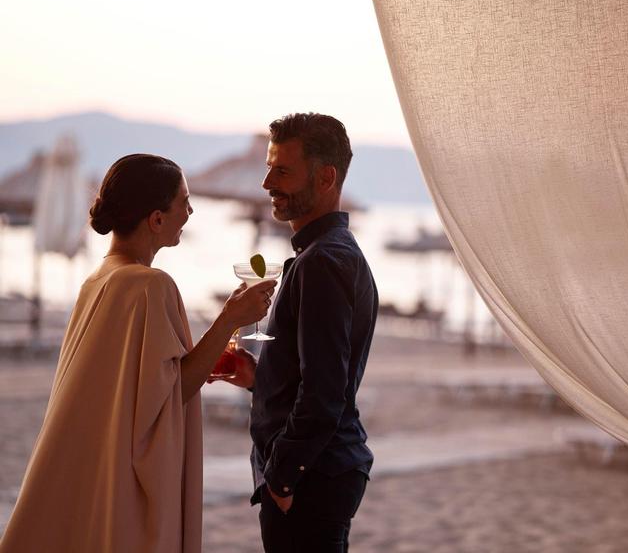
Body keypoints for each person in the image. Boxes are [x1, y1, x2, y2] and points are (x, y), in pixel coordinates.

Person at [0, 154, 276, 553]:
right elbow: (170, 396)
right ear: (157, 219)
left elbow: (134, 382)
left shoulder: (99, 279)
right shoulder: (150, 286)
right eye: (183, 201)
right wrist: (232, 317)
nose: (191, 210)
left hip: (90, 471)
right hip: (125, 482)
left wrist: (210, 351)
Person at [216, 113, 378, 552]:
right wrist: (260, 377)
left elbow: (325, 393)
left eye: (282, 170)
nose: (267, 182)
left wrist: (283, 479)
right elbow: (320, 374)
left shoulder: (323, 262)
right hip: (322, 470)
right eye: (269, 167)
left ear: (326, 178)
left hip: (313, 476)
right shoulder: (322, 255)